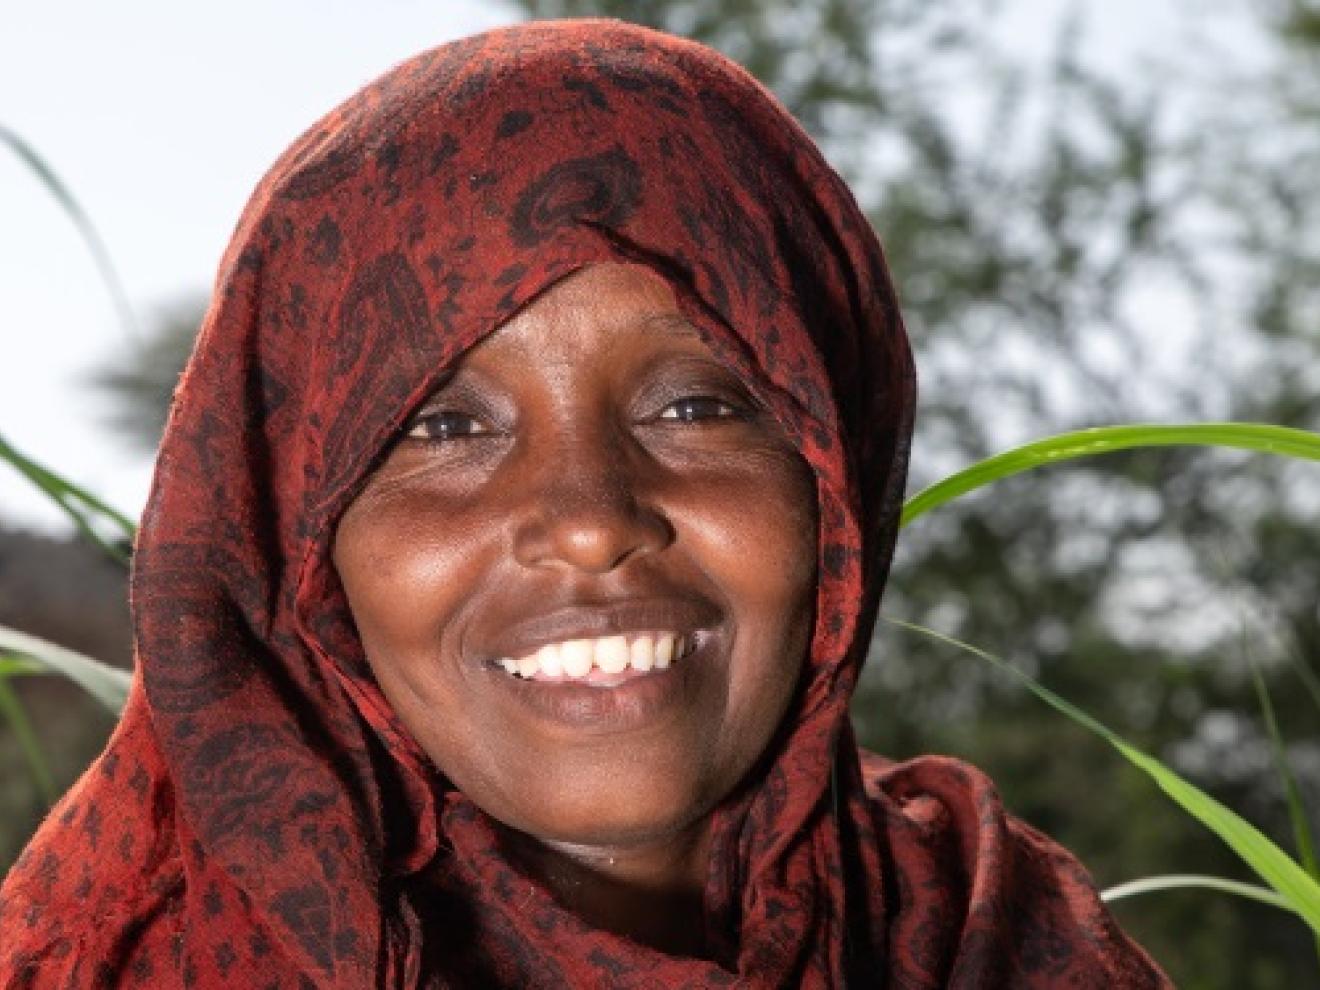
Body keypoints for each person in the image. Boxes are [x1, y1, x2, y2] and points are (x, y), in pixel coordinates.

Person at [0, 19, 1171, 988]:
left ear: (835, 469)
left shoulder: (1002, 943)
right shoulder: (110, 965)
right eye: (444, 428)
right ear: (291, 535)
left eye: (697, 406)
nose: (590, 519)